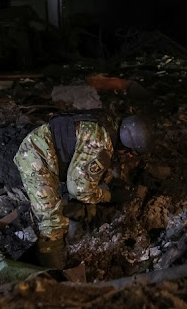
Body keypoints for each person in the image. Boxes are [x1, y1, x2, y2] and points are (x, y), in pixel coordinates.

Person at [13, 111, 152, 269]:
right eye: (130, 154)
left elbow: (88, 168)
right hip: (35, 157)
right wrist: (110, 196)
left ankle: (73, 222)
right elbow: (79, 189)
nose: (129, 157)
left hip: (44, 147)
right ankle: (53, 274)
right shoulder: (102, 145)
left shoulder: (109, 125)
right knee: (53, 222)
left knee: (87, 193)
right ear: (126, 146)